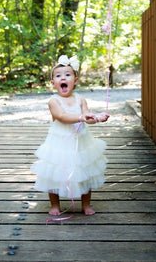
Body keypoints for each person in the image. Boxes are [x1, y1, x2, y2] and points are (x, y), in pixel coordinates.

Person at [31, 55, 109, 216]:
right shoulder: (54, 101)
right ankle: (55, 205)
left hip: (81, 143)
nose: (63, 78)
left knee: (85, 171)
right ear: (53, 84)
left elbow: (87, 116)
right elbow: (62, 117)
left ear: (75, 80)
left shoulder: (80, 99)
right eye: (58, 76)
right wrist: (81, 117)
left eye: (67, 74)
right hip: (59, 144)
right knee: (55, 172)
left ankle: (85, 204)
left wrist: (96, 118)